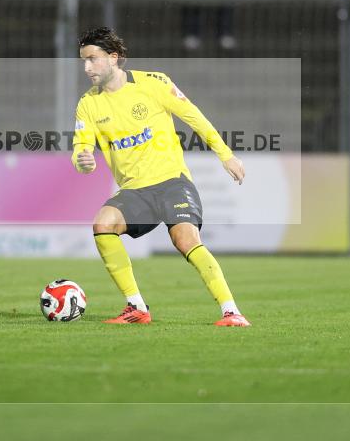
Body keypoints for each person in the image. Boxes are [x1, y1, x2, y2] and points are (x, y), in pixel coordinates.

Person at [72, 27, 251, 327]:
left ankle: (232, 312)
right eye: (83, 61)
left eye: (92, 59)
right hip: (134, 192)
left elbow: (193, 116)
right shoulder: (88, 104)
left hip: (172, 182)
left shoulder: (153, 83)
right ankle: (136, 307)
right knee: (103, 223)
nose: (87, 67)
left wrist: (225, 154)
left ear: (113, 58)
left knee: (184, 238)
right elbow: (81, 151)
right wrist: (83, 161)